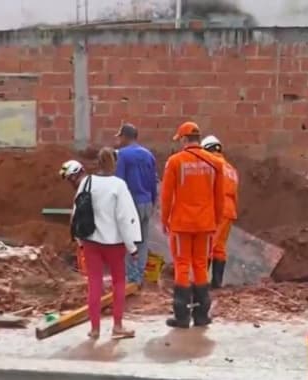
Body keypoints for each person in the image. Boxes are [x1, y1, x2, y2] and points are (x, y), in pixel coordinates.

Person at [60, 148, 141, 340]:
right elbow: (124, 219)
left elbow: (76, 215)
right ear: (114, 163)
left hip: (91, 242)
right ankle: (117, 327)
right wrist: (133, 247)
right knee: (119, 283)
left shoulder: (86, 182)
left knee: (94, 284)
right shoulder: (119, 186)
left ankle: (95, 329)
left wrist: (80, 241)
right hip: (115, 244)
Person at [160, 122, 224, 329]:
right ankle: (201, 315)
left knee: (182, 264)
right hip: (206, 224)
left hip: (181, 224)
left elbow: (167, 195)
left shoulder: (175, 162)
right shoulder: (216, 163)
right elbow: (219, 198)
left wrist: (164, 219)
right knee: (200, 264)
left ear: (184, 139)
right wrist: (216, 221)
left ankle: (181, 316)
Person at [114, 123, 158, 286]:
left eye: (120, 137)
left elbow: (119, 183)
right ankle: (139, 275)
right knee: (143, 241)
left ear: (125, 137)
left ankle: (132, 279)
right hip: (146, 203)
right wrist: (152, 202)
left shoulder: (122, 155)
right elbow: (154, 182)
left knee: (128, 242)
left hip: (131, 204)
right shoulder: (148, 155)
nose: (118, 140)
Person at [201, 135, 239, 289]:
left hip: (216, 209)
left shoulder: (211, 165)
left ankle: (201, 283)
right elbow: (235, 193)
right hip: (229, 210)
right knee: (219, 247)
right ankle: (217, 283)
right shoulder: (231, 169)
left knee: (208, 245)